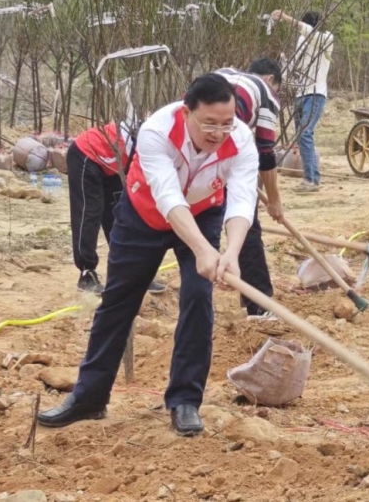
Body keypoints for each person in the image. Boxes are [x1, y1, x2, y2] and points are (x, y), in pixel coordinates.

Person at [38, 73, 259, 437]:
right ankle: (90, 398)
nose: (219, 132)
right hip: (144, 215)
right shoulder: (157, 130)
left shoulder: (242, 139)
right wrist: (203, 251)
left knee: (197, 297)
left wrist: (230, 252)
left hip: (204, 212)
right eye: (209, 123)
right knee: (117, 302)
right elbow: (169, 197)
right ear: (187, 111)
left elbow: (241, 198)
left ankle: (185, 400)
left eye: (226, 123)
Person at [216, 59, 284, 317]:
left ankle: (247, 298)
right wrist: (275, 200)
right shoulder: (266, 92)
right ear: (269, 80)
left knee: (211, 222)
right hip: (221, 148)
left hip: (195, 148)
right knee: (246, 225)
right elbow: (266, 152)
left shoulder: (223, 74)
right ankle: (259, 305)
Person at [68, 122, 166, 295]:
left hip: (114, 164)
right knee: (89, 212)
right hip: (87, 154)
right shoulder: (150, 140)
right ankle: (87, 272)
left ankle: (132, 272)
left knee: (118, 214)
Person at [271, 9, 334, 192]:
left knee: (305, 134)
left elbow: (309, 32)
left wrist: (286, 18)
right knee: (302, 136)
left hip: (315, 94)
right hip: (300, 94)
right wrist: (283, 62)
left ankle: (311, 180)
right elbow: (295, 67)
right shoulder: (302, 40)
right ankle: (311, 177)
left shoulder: (326, 38)